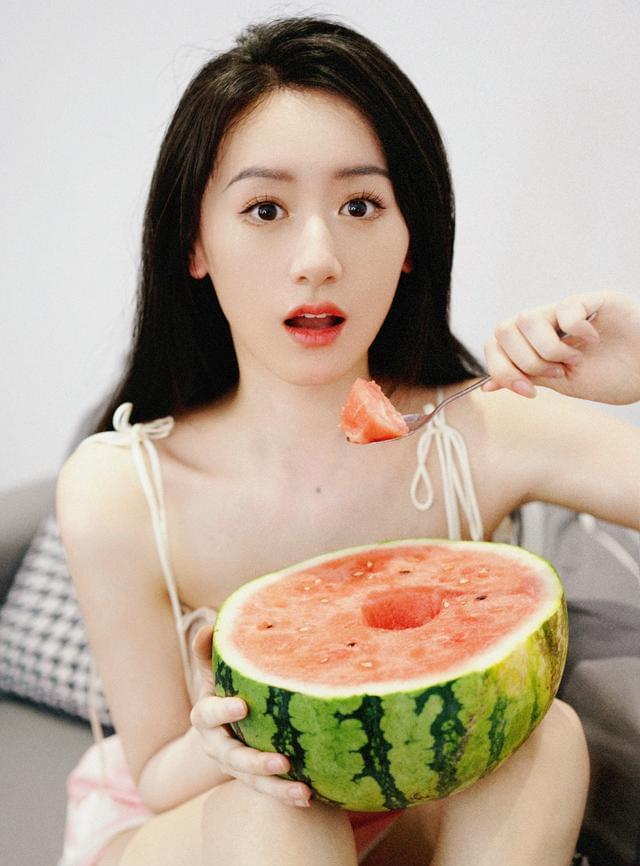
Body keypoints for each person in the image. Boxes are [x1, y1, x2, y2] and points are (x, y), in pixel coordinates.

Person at [55, 16, 639, 866]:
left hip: (414, 816)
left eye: (360, 205)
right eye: (265, 209)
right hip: (212, 820)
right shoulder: (120, 489)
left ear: (411, 241)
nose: (318, 258)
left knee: (547, 741)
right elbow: (154, 775)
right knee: (282, 815)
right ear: (194, 243)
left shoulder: (476, 430)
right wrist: (224, 743)